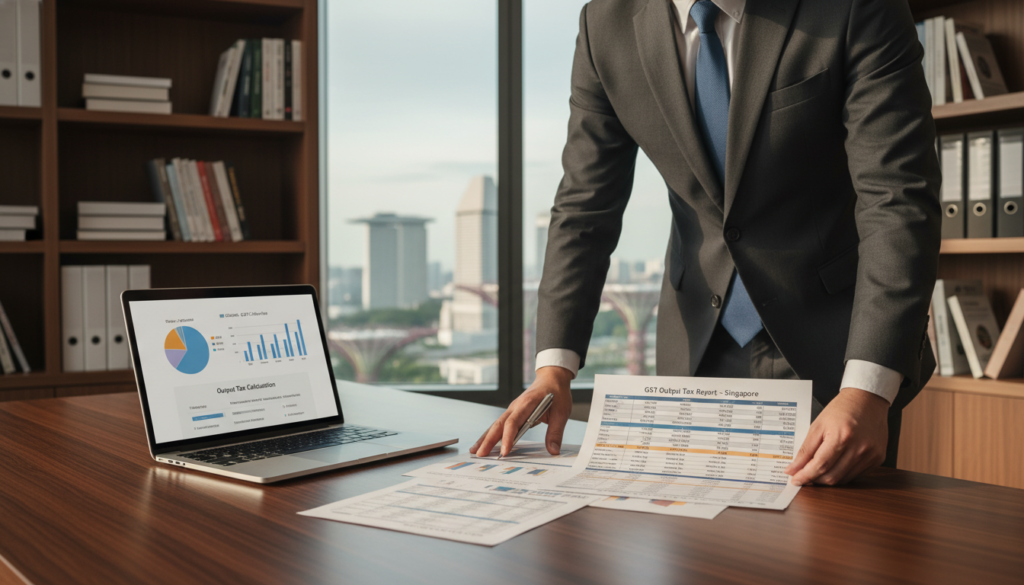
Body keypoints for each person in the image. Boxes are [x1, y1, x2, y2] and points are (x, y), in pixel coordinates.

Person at [472, 0, 941, 486]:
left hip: (836, 353)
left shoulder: (856, 7)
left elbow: (898, 201)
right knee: (697, 553)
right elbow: (584, 208)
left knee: (840, 552)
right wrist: (555, 369)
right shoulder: (604, 24)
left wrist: (868, 389)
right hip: (693, 348)